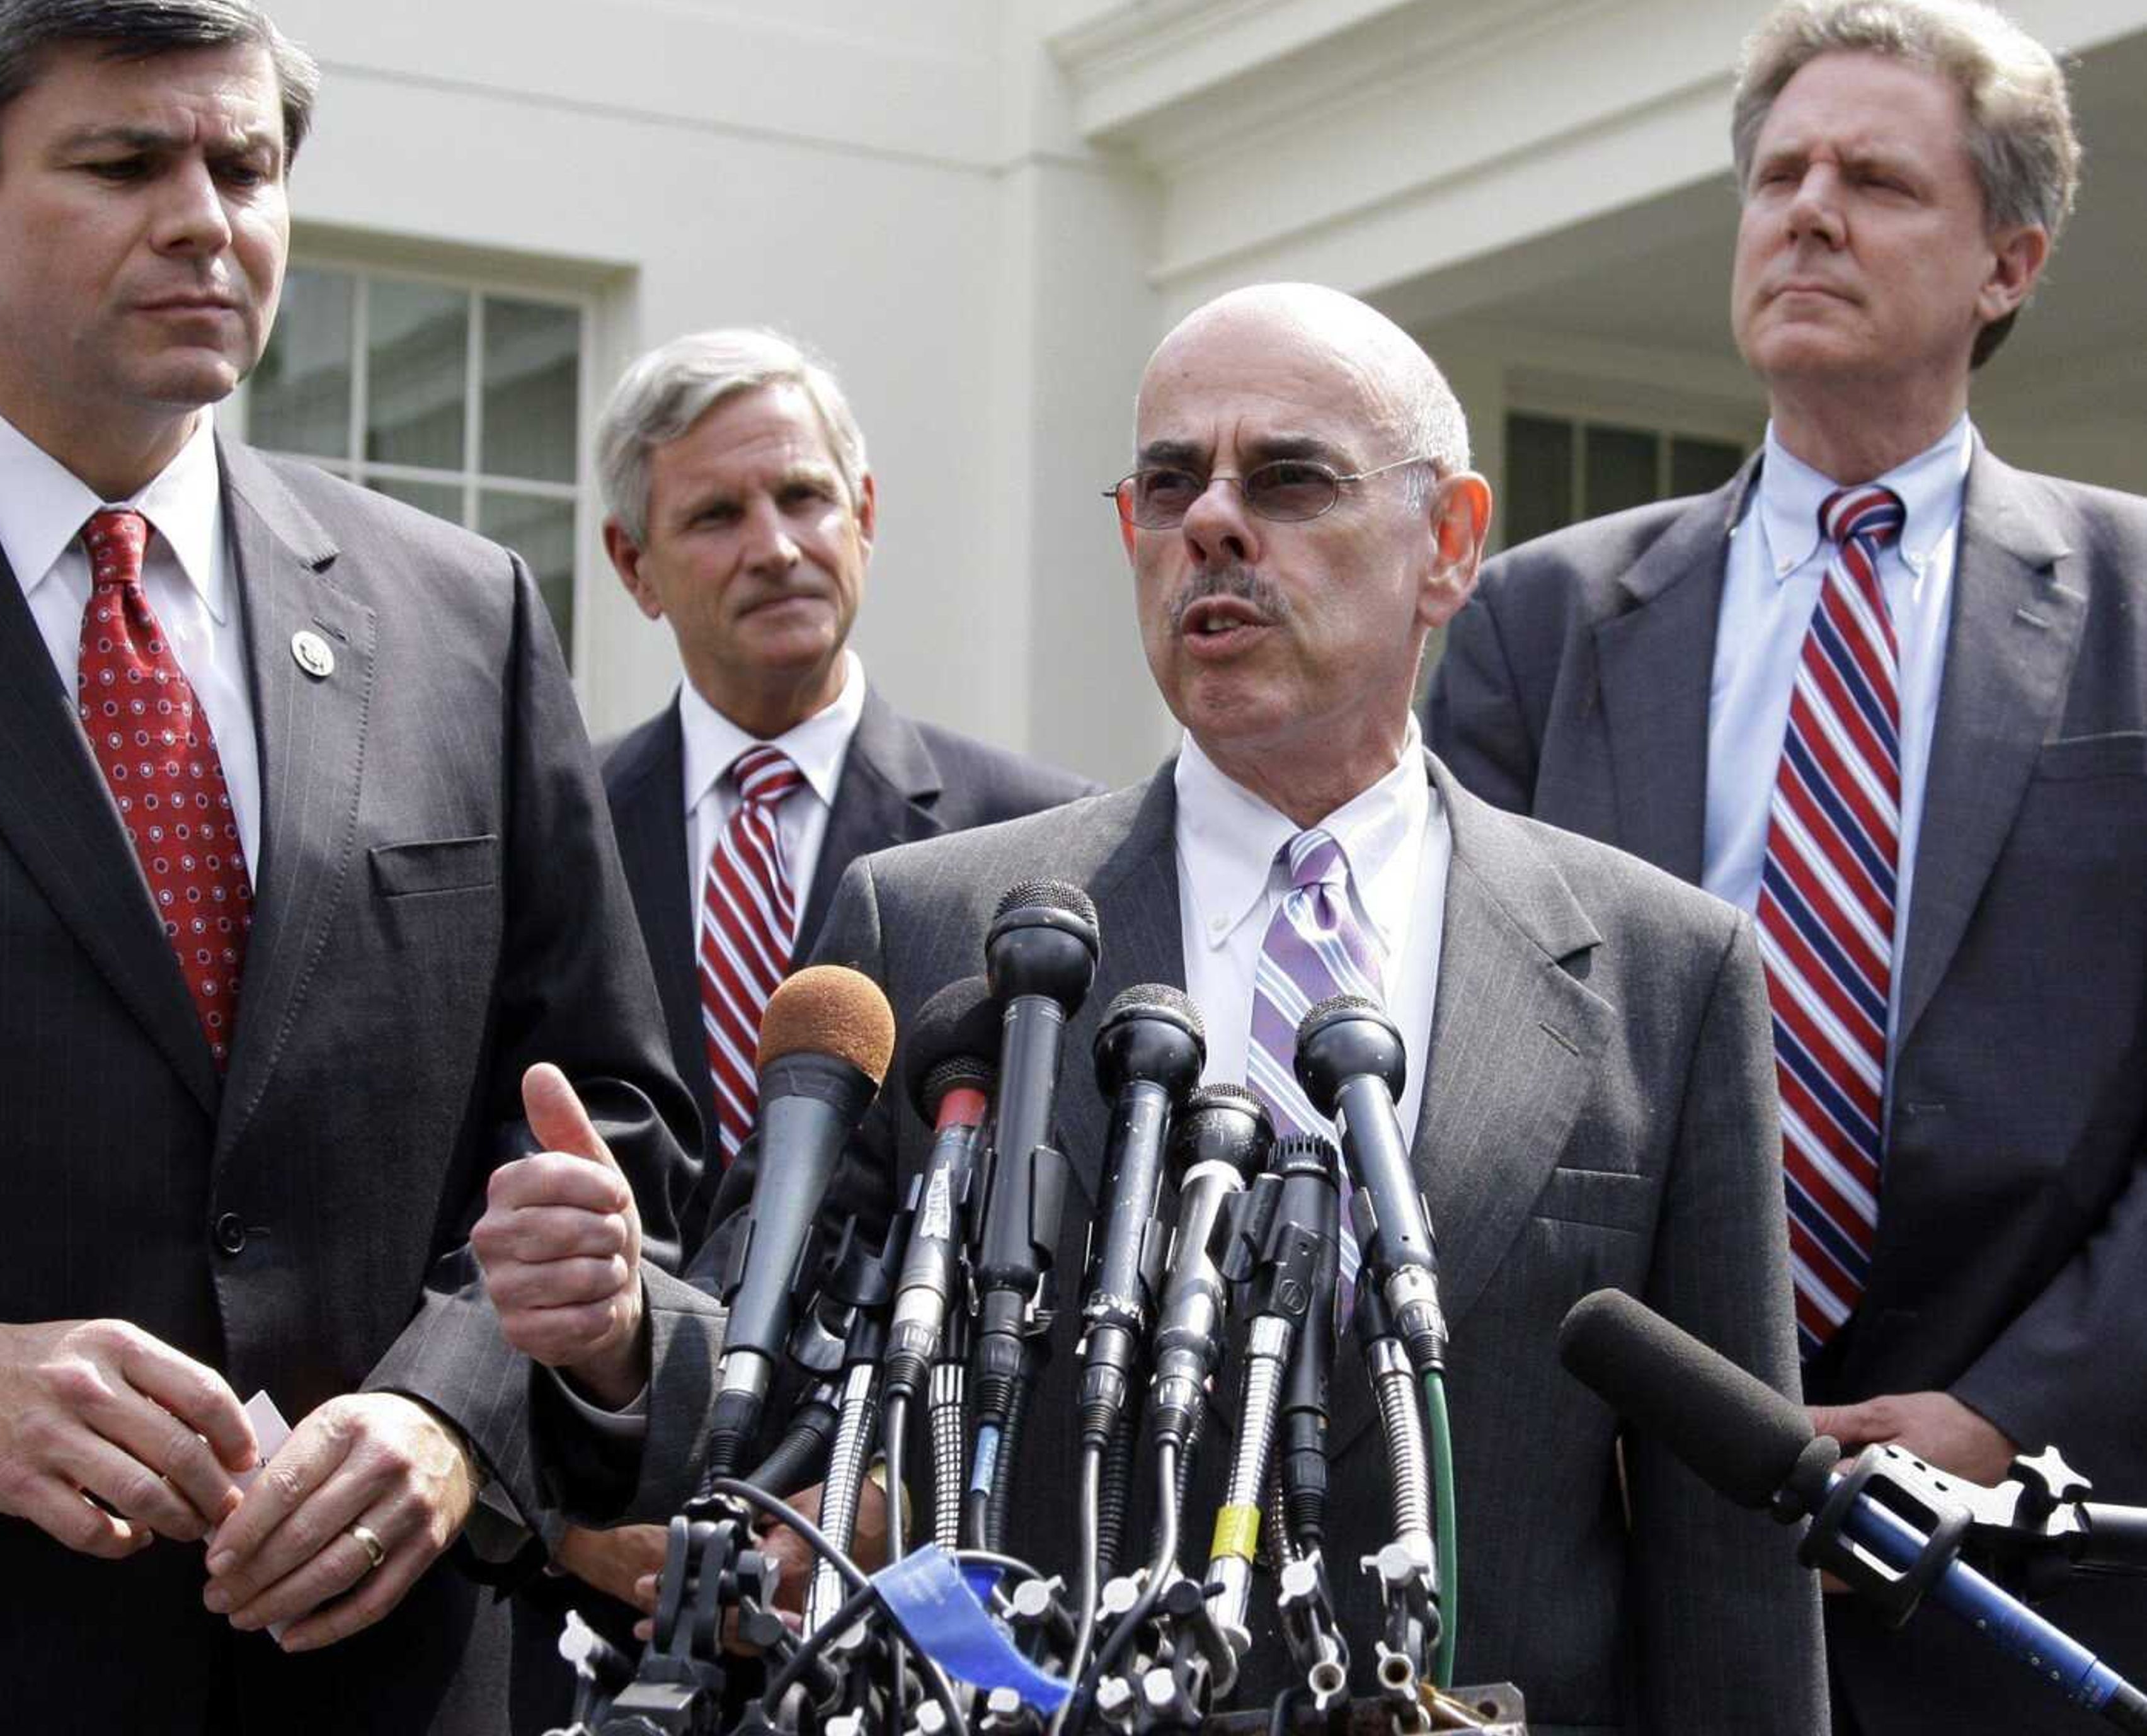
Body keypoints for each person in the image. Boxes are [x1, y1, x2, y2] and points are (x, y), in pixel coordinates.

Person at [481, 283, 1829, 1733]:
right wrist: (621, 1320)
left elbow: (1733, 1566)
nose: (1212, 525)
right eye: (1170, 483)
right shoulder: (935, 922)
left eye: (1291, 478)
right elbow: (778, 1371)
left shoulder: (1662, 966)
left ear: (1449, 545)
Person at [0, 0, 694, 1733]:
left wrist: (448, 1408)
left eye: (245, 166)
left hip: (384, 1674)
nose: (208, 219)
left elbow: (608, 1115)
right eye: (125, 163)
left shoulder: (458, 611)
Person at [1423, 0, 2147, 1736]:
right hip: (1617, 1547)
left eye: (1879, 182)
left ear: (2010, 263)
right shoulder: (1544, 619)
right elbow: (1457, 1059)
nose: (1808, 209)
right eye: (1779, 175)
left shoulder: (2142, 609)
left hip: (2028, 1564)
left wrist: (2002, 1409)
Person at [508, 326, 1092, 1721]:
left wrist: (894, 1481)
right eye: (715, 514)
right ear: (632, 568)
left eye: (806, 498)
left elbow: (1062, 1215)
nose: (774, 544)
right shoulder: (539, 828)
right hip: (588, 1596)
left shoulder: (1043, 840)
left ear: (869, 518)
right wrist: (571, 1515)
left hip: (914, 1596)